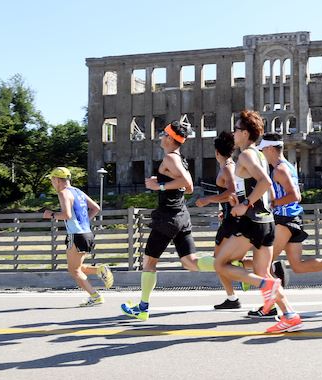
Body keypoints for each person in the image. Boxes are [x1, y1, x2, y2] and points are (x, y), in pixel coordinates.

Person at [245, 133, 322, 318]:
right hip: (293, 220)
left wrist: (274, 204)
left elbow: (295, 196)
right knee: (298, 266)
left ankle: (271, 307)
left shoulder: (279, 170)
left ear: (270, 149)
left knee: (262, 265)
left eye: (263, 150)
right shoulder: (288, 166)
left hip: (284, 221)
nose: (262, 155)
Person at [214, 110, 303, 333]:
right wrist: (243, 198)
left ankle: (267, 287)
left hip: (251, 222)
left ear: (245, 133)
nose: (233, 133)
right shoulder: (261, 156)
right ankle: (290, 315)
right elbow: (268, 189)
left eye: (236, 129)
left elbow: (264, 181)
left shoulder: (246, 155)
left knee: (221, 264)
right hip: (267, 222)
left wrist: (245, 204)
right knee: (264, 273)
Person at [121, 118, 216, 321]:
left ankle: (143, 308)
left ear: (171, 139)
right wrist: (162, 180)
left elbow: (187, 183)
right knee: (191, 262)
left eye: (164, 134)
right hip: (181, 215)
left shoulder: (171, 159)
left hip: (168, 217)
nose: (161, 137)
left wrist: (160, 186)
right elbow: (187, 188)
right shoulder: (179, 159)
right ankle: (232, 265)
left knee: (149, 263)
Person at [43, 167, 113, 306]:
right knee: (78, 267)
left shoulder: (63, 193)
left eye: (52, 180)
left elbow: (67, 215)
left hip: (75, 235)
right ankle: (100, 270)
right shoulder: (78, 191)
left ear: (57, 180)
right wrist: (84, 222)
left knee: (74, 270)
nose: (52, 183)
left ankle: (95, 296)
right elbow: (96, 208)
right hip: (87, 234)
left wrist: (51, 214)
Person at [195, 131, 244, 309]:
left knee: (219, 261)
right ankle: (234, 293)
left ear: (217, 152)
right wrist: (225, 209)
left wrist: (208, 199)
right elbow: (234, 195)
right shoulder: (231, 166)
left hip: (231, 222)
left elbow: (231, 192)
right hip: (229, 217)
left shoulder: (227, 168)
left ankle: (234, 294)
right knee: (223, 261)